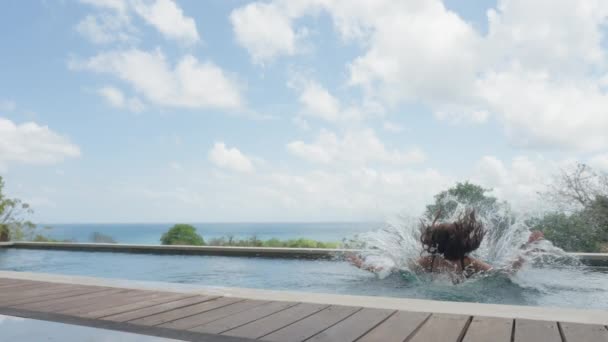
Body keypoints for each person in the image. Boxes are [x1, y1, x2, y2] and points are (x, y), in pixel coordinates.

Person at [348, 209, 544, 281]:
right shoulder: (469, 263)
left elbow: (392, 271)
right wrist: (525, 250)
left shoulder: (428, 262)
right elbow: (504, 272)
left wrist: (363, 265)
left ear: (434, 244)